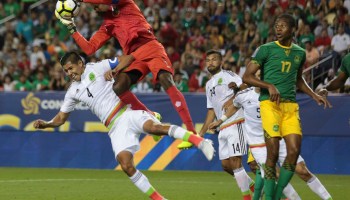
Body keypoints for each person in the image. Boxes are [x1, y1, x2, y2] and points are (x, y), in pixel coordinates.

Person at [33, 51, 215, 200]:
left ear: (80, 63)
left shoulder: (97, 67)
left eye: (71, 68)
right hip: (114, 127)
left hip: (126, 112)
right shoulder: (72, 91)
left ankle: (200, 141)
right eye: (66, 71)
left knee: (154, 128)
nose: (69, 73)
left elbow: (128, 58)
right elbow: (61, 118)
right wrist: (47, 124)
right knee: (126, 165)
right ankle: (160, 199)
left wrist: (116, 69)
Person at [55, 0, 196, 149]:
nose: (95, 9)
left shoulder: (125, 4)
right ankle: (151, 115)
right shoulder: (108, 25)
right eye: (94, 7)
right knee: (118, 86)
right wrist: (71, 27)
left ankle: (192, 132)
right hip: (134, 57)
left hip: (151, 47)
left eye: (96, 6)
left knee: (165, 80)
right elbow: (90, 49)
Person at [242, 14, 331, 200]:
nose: (278, 29)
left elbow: (299, 80)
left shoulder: (300, 53)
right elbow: (247, 77)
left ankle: (274, 195)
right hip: (270, 105)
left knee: (293, 152)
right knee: (272, 153)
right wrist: (268, 85)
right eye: (276, 25)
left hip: (290, 107)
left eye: (282, 26)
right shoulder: (265, 50)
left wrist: (314, 95)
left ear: (293, 30)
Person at [210, 85, 333, 200]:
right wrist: (221, 120)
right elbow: (234, 105)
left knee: (303, 171)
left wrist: (315, 94)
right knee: (274, 174)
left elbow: (295, 90)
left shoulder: (277, 92)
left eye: (261, 73)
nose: (259, 76)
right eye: (256, 74)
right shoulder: (244, 95)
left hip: (279, 139)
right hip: (259, 145)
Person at [198, 50, 253, 200]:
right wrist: (201, 132)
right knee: (227, 166)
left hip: (236, 121)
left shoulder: (228, 75)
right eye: (208, 60)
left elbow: (246, 87)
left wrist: (235, 94)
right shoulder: (209, 84)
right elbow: (211, 110)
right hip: (221, 126)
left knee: (236, 162)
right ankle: (254, 187)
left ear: (221, 62)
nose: (210, 62)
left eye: (214, 59)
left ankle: (248, 198)